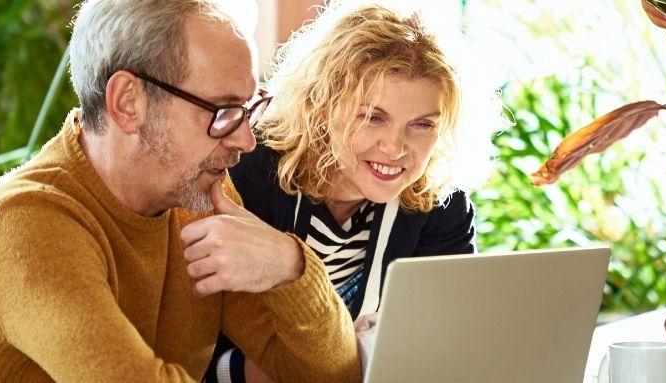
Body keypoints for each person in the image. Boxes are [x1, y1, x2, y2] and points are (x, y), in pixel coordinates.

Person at [0, 1, 359, 381]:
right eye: (223, 111)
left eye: (247, 108)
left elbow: (331, 375)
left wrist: (291, 265)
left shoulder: (199, 206)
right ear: (128, 103)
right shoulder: (23, 222)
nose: (245, 140)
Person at [202, 2, 502, 382]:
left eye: (422, 125)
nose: (395, 148)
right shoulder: (246, 175)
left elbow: (445, 345)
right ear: (322, 105)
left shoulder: (441, 204)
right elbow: (188, 343)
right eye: (373, 117)